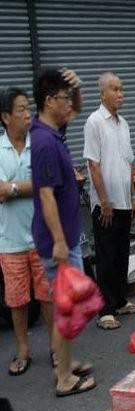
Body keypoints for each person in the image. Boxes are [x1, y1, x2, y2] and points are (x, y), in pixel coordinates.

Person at [31, 67, 96, 396]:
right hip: (58, 244)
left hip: (67, 239)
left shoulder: (53, 130)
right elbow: (45, 195)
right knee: (65, 310)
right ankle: (64, 379)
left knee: (66, 309)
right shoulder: (43, 142)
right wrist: (58, 241)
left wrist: (77, 87)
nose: (68, 103)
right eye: (63, 98)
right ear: (47, 101)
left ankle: (66, 365)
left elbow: (77, 108)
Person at [0, 88, 55, 376]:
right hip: (9, 241)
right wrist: (29, 187)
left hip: (40, 236)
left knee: (47, 295)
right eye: (20, 109)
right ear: (6, 116)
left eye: (27, 108)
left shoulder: (39, 143)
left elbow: (47, 182)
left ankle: (55, 347)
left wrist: (12, 188)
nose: (27, 114)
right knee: (17, 299)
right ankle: (22, 350)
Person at [83, 72, 135, 331]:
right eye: (115, 89)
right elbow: (93, 165)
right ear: (102, 93)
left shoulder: (124, 124)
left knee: (121, 253)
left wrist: (133, 196)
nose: (120, 94)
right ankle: (104, 310)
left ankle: (119, 301)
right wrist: (104, 200)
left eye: (122, 89)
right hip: (105, 205)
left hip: (124, 202)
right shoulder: (94, 122)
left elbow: (128, 163)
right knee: (105, 257)